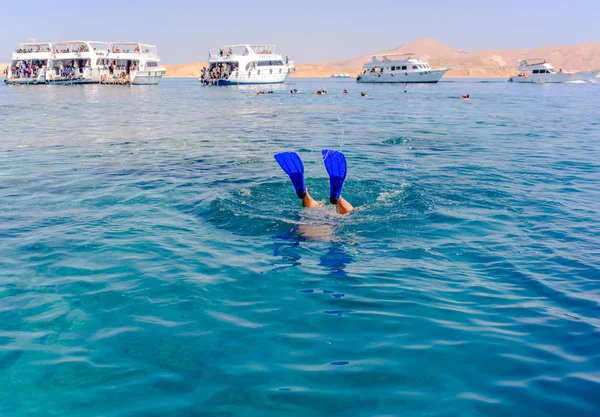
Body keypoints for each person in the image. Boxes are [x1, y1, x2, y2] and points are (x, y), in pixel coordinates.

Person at [274, 150, 354, 215]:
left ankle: (304, 193)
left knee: (309, 214)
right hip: (325, 227)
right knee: (348, 214)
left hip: (309, 228)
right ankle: (336, 198)